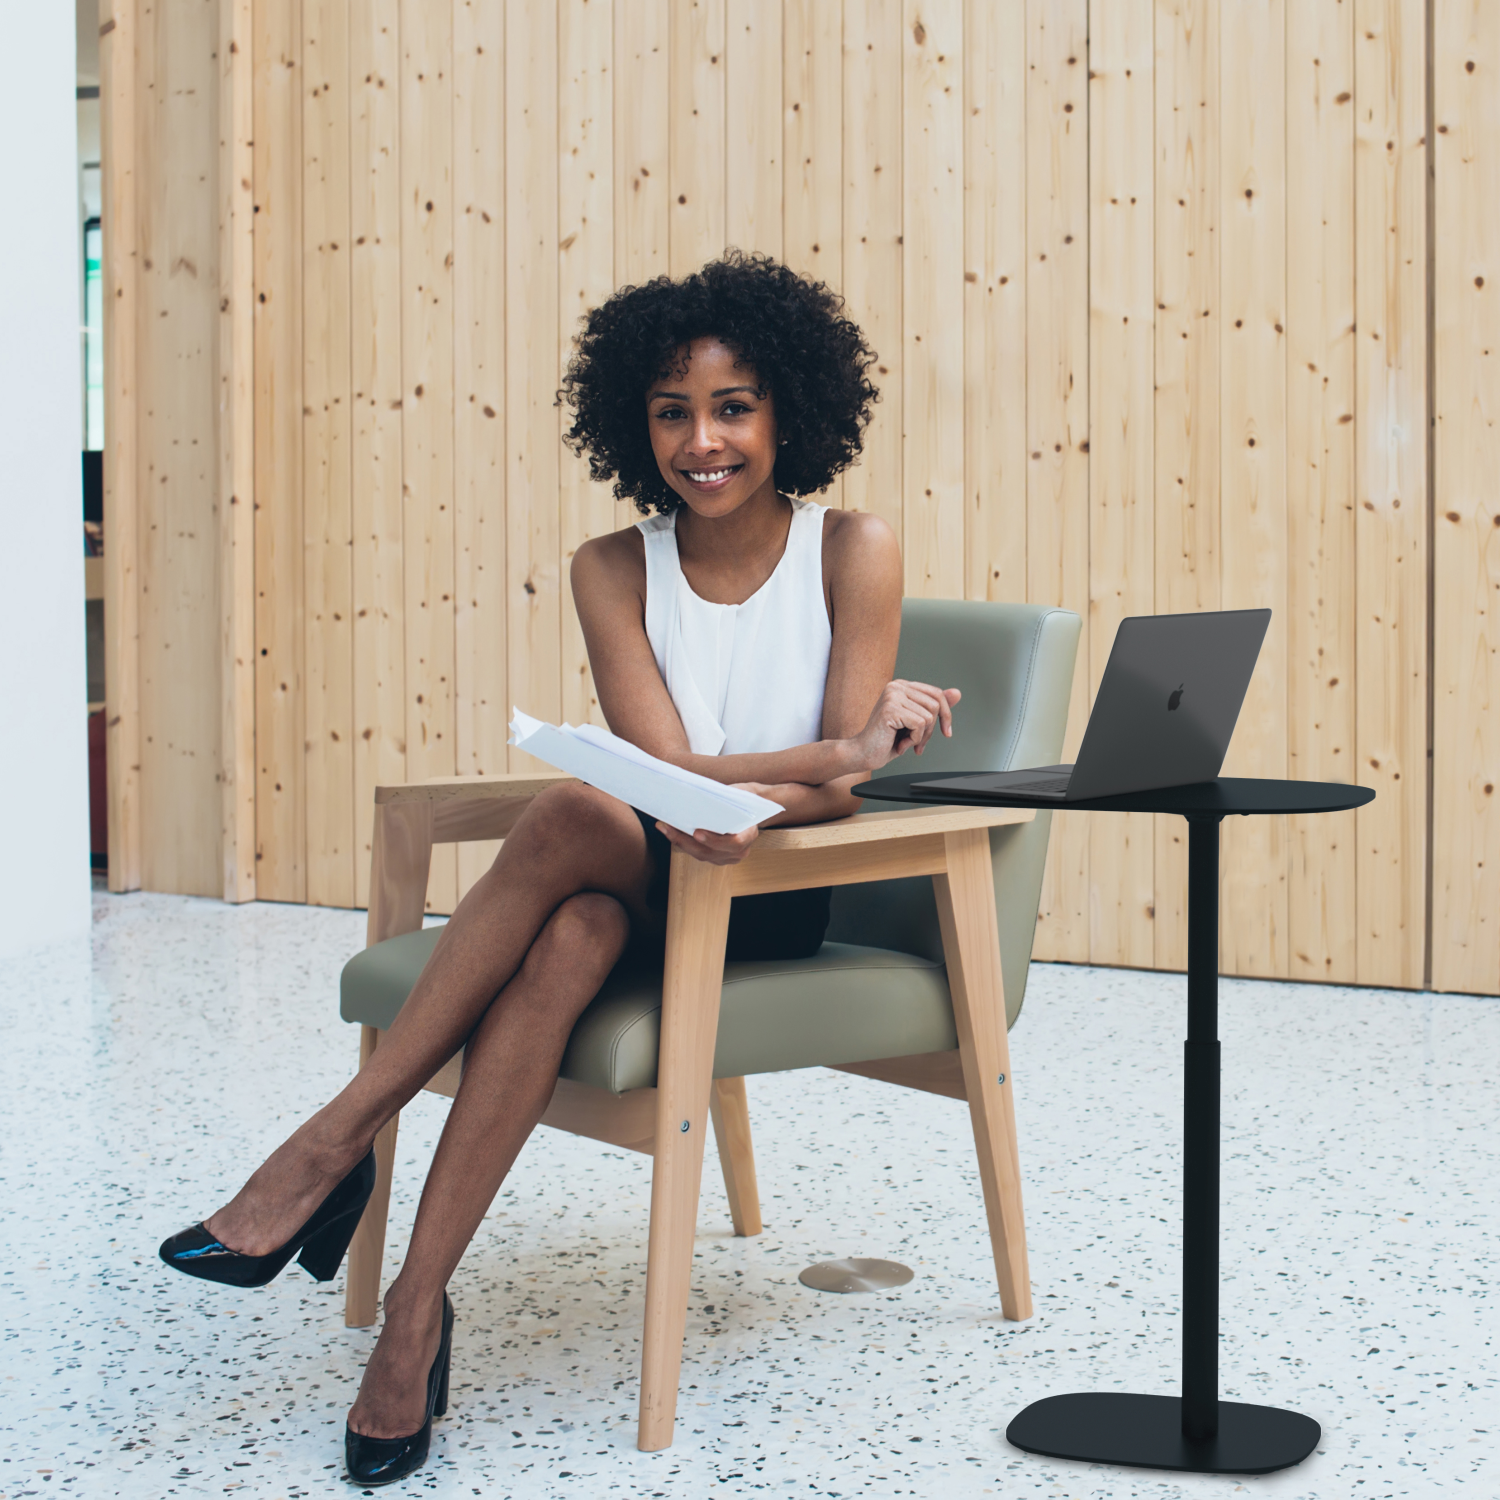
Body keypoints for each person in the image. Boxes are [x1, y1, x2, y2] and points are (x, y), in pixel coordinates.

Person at [159, 250, 962, 1485]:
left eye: (734, 406)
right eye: (671, 411)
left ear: (788, 410)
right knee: (579, 909)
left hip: (761, 896)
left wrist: (808, 773)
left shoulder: (854, 547)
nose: (703, 440)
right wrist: (827, 751)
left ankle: (330, 1149)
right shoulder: (610, 566)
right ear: (631, 425)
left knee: (581, 811)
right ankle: (416, 1317)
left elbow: (831, 795)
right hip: (636, 874)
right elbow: (668, 769)